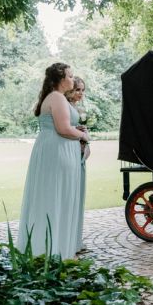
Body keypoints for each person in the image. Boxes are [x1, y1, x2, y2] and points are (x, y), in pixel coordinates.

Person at [18, 63, 88, 259]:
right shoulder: (56, 97)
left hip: (56, 149)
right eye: (70, 76)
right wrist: (83, 137)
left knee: (54, 197)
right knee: (55, 197)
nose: (73, 80)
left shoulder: (54, 97)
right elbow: (63, 129)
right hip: (57, 151)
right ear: (60, 79)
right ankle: (52, 250)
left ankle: (54, 246)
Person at [65, 76, 88, 252]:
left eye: (82, 90)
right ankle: (68, 241)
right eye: (77, 89)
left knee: (78, 196)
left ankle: (75, 239)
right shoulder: (65, 105)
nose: (80, 93)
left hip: (77, 147)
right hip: (69, 150)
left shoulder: (76, 108)